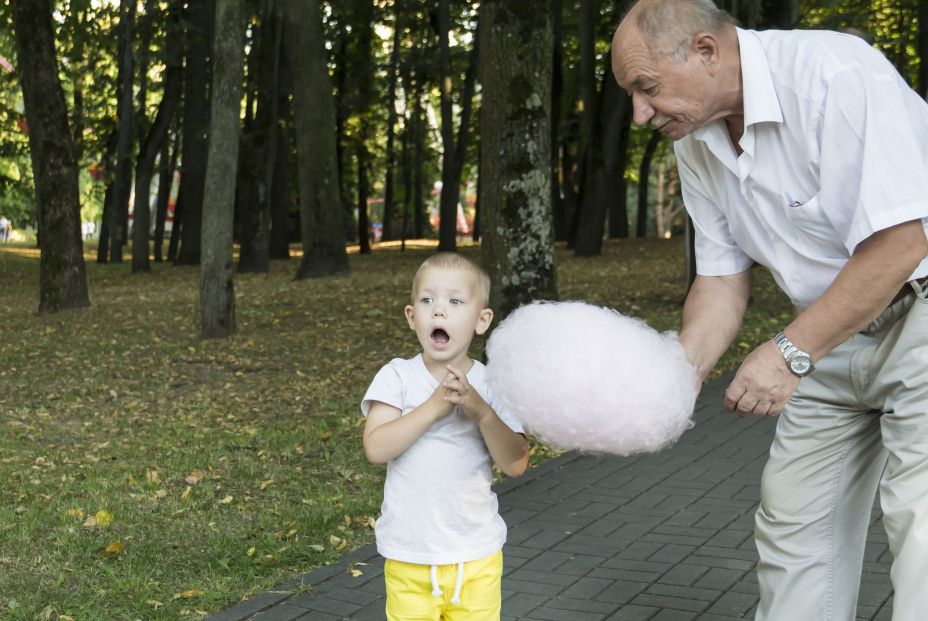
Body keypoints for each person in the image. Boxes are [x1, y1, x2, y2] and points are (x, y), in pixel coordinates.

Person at [611, 1, 928, 620]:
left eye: (645, 88)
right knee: (793, 523)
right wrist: (679, 375)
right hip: (827, 332)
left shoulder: (836, 75)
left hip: (917, 310)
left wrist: (788, 353)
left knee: (920, 523)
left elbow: (902, 242)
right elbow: (722, 278)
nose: (639, 113)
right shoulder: (695, 137)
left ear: (705, 51)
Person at [361, 252, 529, 620]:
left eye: (455, 301)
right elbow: (376, 447)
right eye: (427, 300)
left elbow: (515, 463)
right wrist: (434, 407)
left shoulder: (492, 382)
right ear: (412, 317)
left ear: (481, 320)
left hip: (477, 557)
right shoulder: (398, 377)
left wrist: (481, 411)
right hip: (410, 557)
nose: (439, 311)